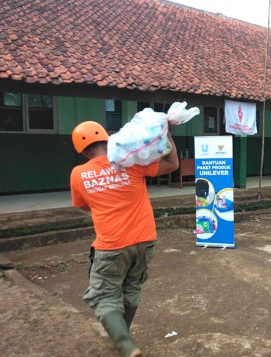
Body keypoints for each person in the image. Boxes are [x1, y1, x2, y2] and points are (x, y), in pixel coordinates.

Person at [69, 121, 179, 357]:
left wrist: (103, 199)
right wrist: (165, 131)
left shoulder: (78, 174)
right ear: (108, 140)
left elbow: (82, 205)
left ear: (83, 151)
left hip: (112, 245)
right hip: (144, 240)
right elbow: (172, 164)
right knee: (130, 290)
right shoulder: (130, 163)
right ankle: (124, 335)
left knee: (103, 296)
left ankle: (124, 344)